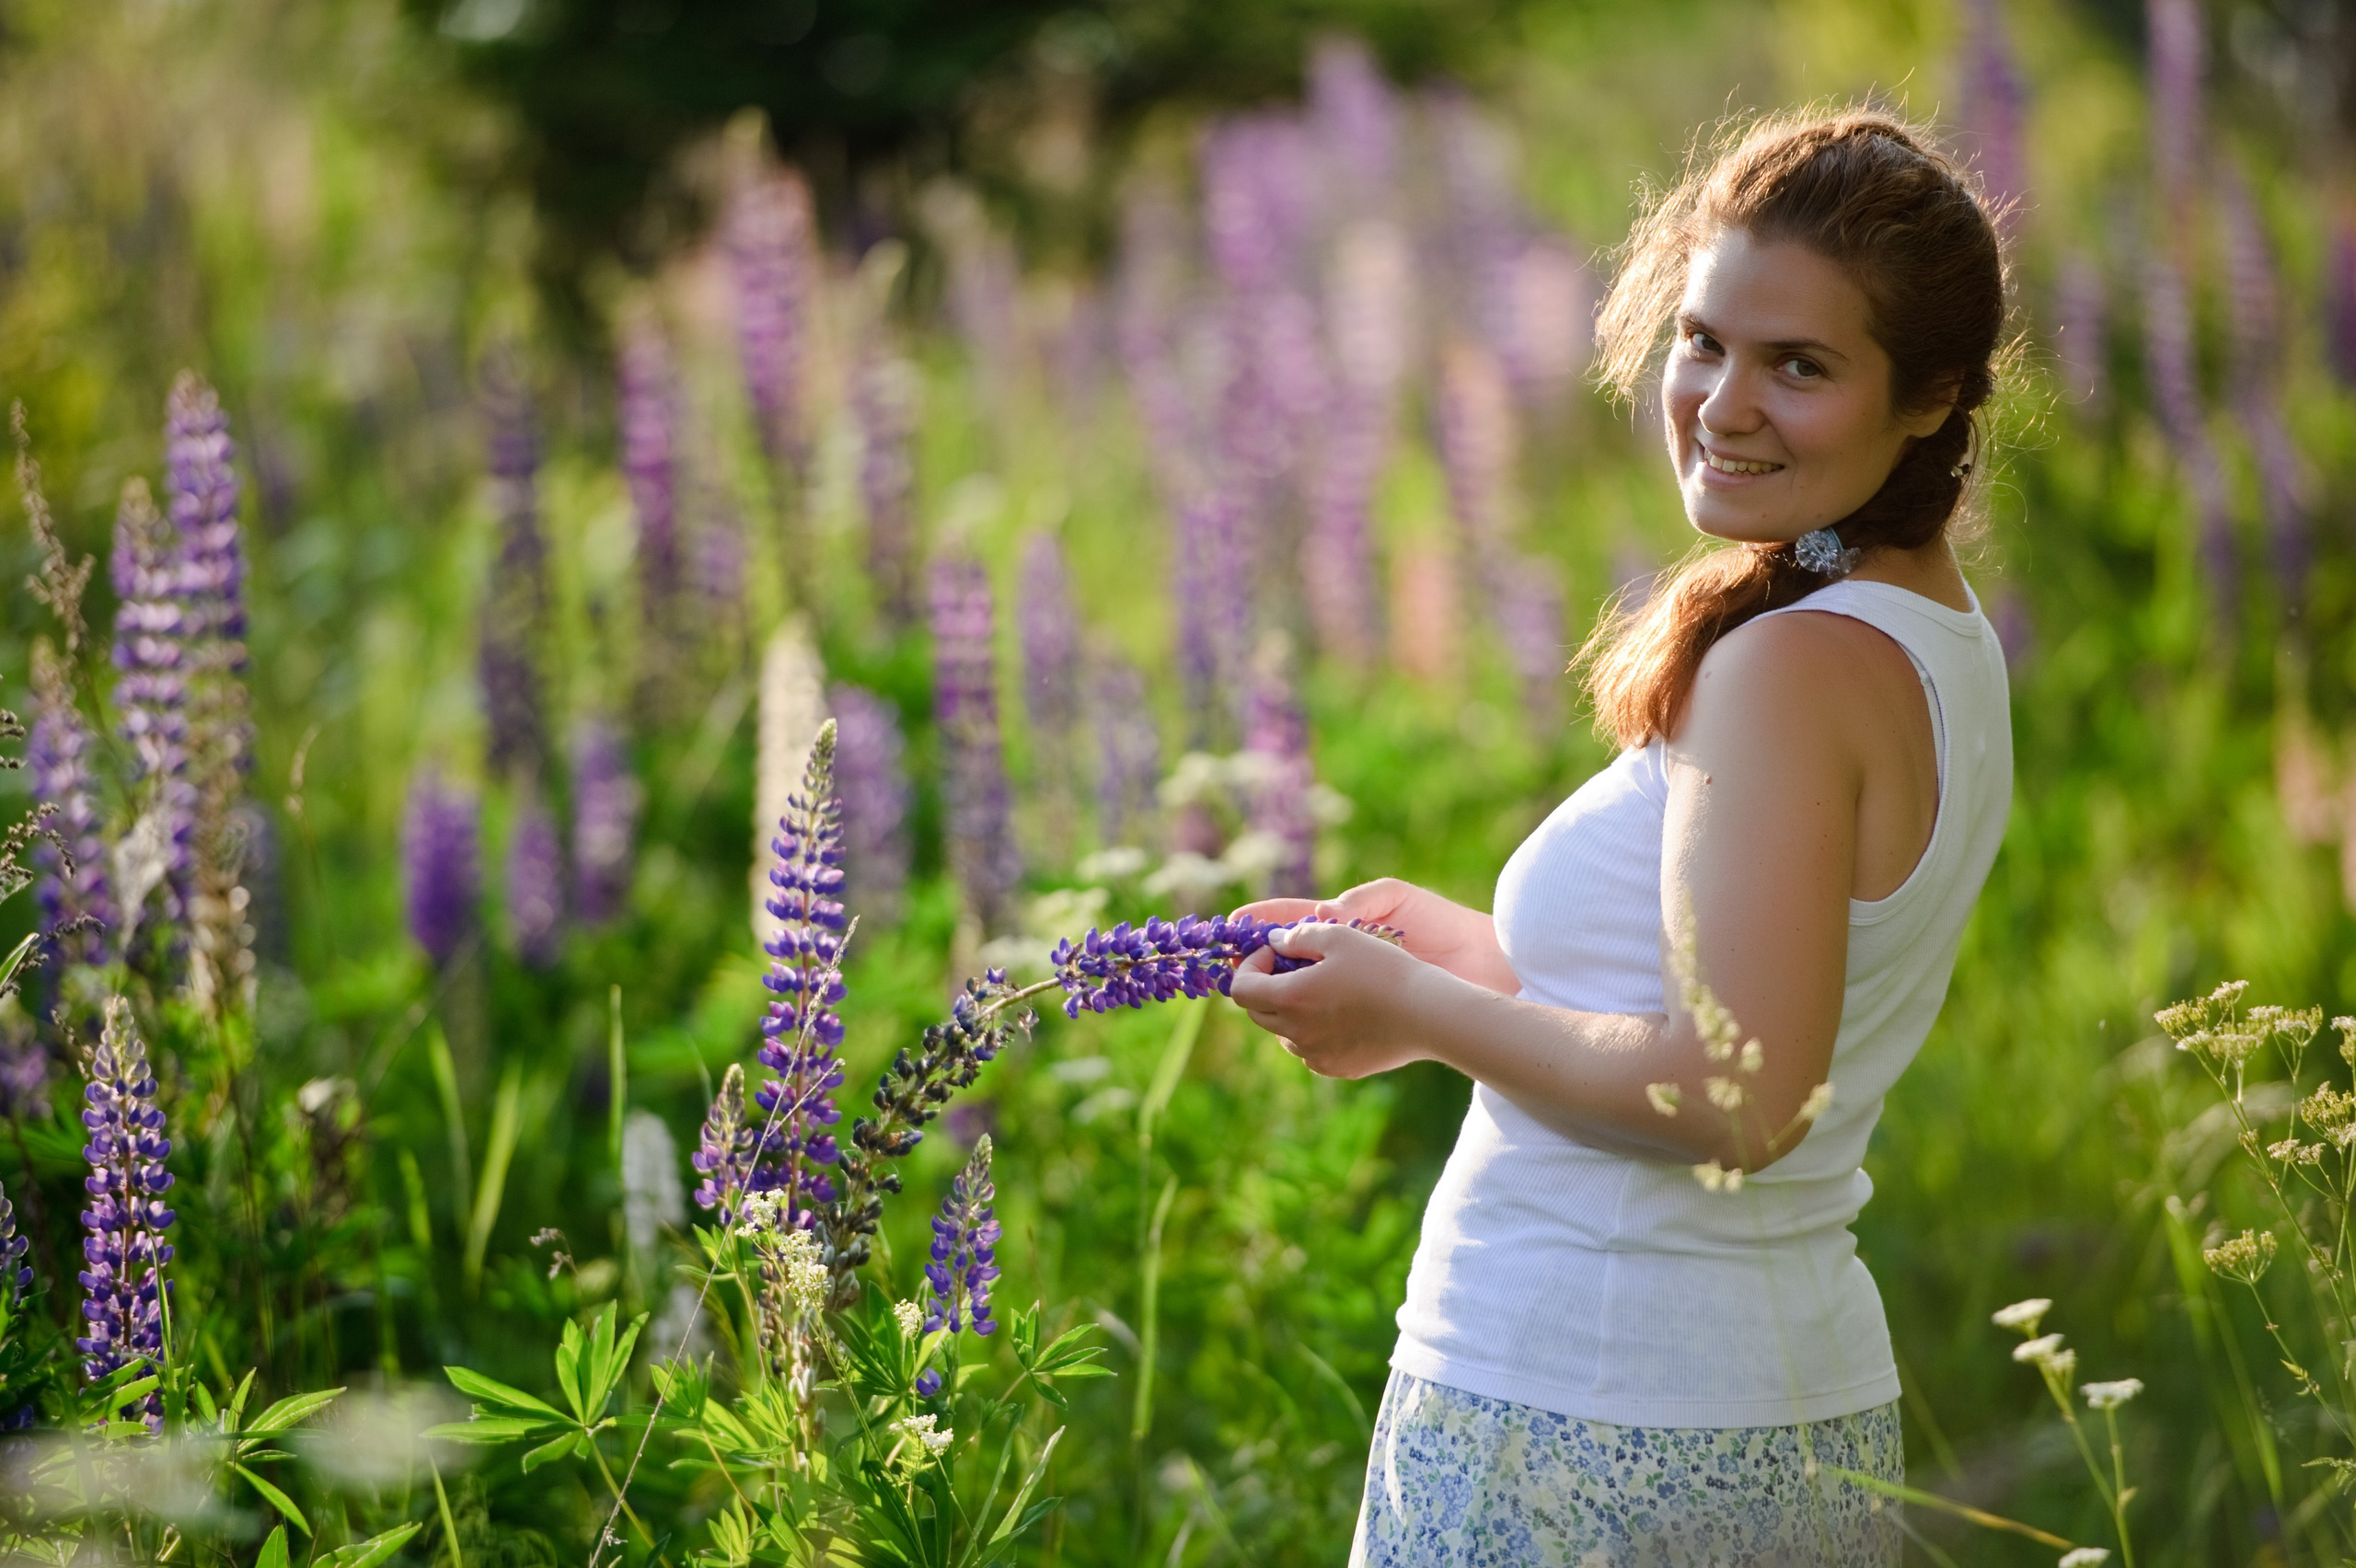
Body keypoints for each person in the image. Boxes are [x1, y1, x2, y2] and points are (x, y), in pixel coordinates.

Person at [1229, 109, 2015, 1566]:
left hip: (1593, 1415)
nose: (1724, 401)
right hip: (1767, 1410)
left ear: (1931, 396)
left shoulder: (1789, 668)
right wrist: (1468, 957)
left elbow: (1737, 1096)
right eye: (1704, 339)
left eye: (1802, 365)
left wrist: (1419, 1011)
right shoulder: (1932, 635)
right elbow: (1754, 1012)